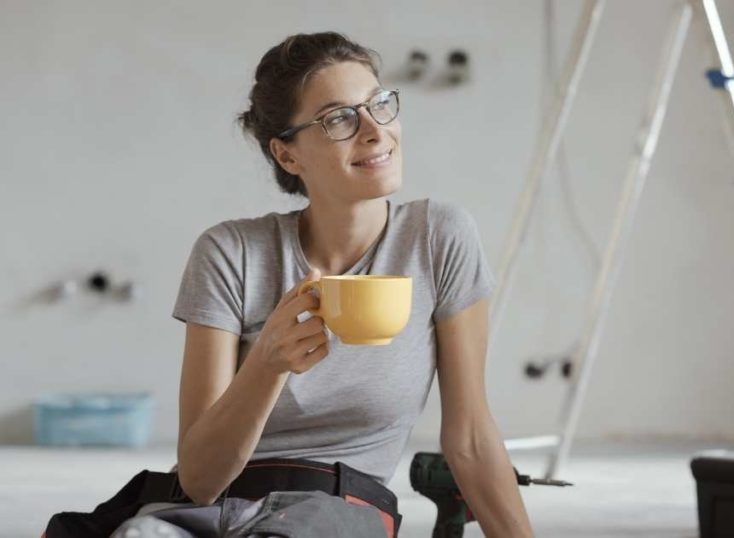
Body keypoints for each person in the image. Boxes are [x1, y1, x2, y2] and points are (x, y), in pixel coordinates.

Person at [43, 31, 533, 538]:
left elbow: (471, 440)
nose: (374, 130)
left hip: (337, 508)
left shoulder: (438, 238)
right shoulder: (230, 253)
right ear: (288, 155)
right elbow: (199, 480)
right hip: (208, 509)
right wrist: (267, 364)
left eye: (379, 104)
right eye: (339, 117)